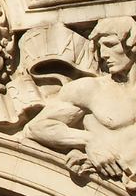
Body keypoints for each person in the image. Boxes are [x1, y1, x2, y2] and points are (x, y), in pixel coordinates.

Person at [27, 16, 136, 181]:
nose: (104, 54)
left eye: (111, 45)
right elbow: (37, 127)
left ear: (132, 45)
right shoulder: (90, 89)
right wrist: (88, 140)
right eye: (100, 47)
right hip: (111, 185)